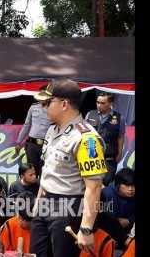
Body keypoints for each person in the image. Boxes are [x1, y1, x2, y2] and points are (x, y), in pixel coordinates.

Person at [29, 78, 108, 257]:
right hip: (45, 203)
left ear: (64, 104)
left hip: (68, 207)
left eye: (47, 102)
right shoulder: (52, 130)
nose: (43, 107)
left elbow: (94, 187)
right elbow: (48, 168)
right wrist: (39, 199)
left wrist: (86, 229)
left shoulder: (86, 138)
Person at [85, 91, 126, 186]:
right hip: (92, 155)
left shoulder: (119, 117)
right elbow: (86, 135)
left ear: (110, 104)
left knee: (107, 183)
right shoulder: (90, 114)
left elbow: (120, 136)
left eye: (102, 103)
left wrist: (120, 152)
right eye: (97, 102)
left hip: (109, 157)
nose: (99, 105)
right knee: (91, 183)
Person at [14, 85, 52, 178]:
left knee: (45, 171)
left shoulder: (53, 108)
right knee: (31, 170)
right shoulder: (33, 107)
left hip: (47, 144)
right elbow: (27, 125)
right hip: (32, 144)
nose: (41, 98)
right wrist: (18, 142)